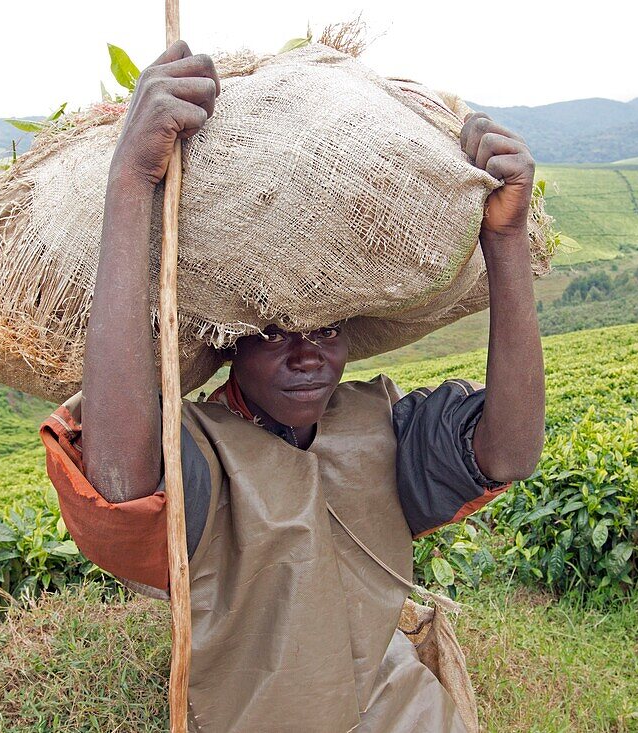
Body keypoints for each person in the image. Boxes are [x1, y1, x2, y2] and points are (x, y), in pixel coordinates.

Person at [40, 40, 544, 733]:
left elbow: (509, 452)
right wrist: (130, 182)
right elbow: (124, 480)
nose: (308, 355)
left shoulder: (383, 423)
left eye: (327, 329)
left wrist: (505, 242)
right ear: (228, 341)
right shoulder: (204, 457)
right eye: (275, 330)